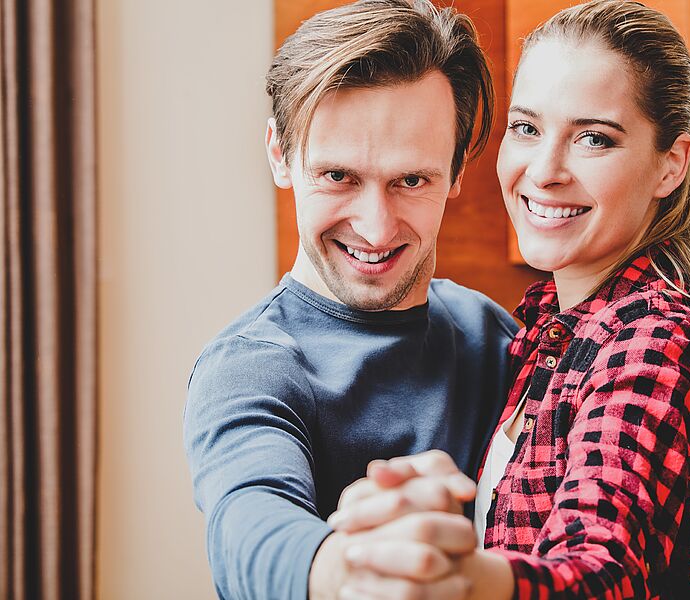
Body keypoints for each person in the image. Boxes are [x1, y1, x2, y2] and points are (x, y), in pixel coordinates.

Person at [328, 1, 690, 598]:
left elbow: (600, 566)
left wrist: (465, 579)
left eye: (594, 138)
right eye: (527, 128)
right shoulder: (547, 329)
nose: (544, 170)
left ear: (670, 166)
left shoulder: (656, 340)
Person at [182, 1, 519, 598]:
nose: (376, 226)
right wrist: (350, 570)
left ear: (458, 167)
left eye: (411, 180)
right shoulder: (248, 366)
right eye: (339, 177)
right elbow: (250, 522)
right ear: (280, 154)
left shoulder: (492, 334)